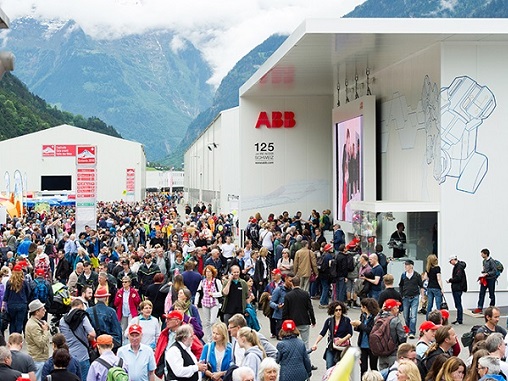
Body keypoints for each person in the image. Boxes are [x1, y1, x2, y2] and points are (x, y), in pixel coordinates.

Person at [60, 298, 96, 380]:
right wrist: (89, 338)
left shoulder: (62, 320)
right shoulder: (82, 316)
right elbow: (92, 334)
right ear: (80, 306)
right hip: (82, 354)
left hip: (68, 355)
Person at [311, 301, 353, 370]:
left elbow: (350, 333)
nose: (338, 312)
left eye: (340, 310)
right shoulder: (329, 321)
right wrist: (316, 343)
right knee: (329, 366)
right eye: (336, 310)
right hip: (332, 346)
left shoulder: (346, 320)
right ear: (333, 311)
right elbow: (322, 333)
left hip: (343, 347)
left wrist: (342, 340)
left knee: (342, 368)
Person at [282, 276, 316, 350]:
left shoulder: (288, 296)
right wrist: (313, 321)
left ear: (292, 284)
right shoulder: (306, 294)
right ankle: (306, 357)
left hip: (293, 322)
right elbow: (310, 308)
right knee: (305, 342)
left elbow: (285, 311)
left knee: (292, 342)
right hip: (304, 321)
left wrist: (284, 322)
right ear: (299, 283)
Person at [374, 299, 407, 370]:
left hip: (381, 352)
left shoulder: (378, 319)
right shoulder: (395, 320)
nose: (398, 310)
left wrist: (381, 311)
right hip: (393, 353)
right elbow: (402, 338)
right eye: (397, 308)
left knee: (383, 374)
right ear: (393, 309)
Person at [351, 298, 380, 376]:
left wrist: (360, 324)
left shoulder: (375, 317)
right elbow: (362, 329)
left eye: (362, 306)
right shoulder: (363, 316)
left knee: (373, 367)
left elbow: (370, 330)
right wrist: (356, 326)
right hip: (362, 344)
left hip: (372, 345)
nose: (361, 308)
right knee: (363, 367)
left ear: (365, 307)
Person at [195, 265, 223, 343]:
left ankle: (215, 336)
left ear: (212, 273)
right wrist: (196, 303)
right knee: (207, 322)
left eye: (209, 272)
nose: (208, 273)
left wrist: (214, 294)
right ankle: (209, 339)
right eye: (206, 272)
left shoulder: (216, 281)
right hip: (205, 303)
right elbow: (198, 292)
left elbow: (221, 292)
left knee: (212, 321)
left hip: (214, 303)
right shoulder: (203, 282)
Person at [25, 299, 51, 381]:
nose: (45, 311)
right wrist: (46, 331)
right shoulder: (33, 325)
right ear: (36, 312)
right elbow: (41, 343)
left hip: (40, 357)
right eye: (43, 309)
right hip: (38, 358)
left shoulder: (38, 322)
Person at [2, 264, 31, 334]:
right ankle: (18, 338)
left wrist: (3, 305)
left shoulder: (9, 282)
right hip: (22, 304)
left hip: (11, 304)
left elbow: (6, 295)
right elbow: (29, 292)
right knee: (19, 322)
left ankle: (12, 337)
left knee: (12, 322)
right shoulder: (24, 282)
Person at [399, 259, 424, 339]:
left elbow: (421, 286)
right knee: (406, 315)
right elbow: (401, 285)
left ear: (411, 266)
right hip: (405, 297)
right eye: (405, 265)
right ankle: (409, 328)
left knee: (413, 315)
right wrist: (401, 295)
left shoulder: (417, 275)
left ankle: (412, 332)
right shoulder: (403, 275)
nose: (405, 266)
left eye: (407, 265)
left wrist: (422, 297)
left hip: (415, 297)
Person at [114, 275, 141, 341]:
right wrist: (119, 298)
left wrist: (134, 297)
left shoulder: (133, 291)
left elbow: (138, 302)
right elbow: (115, 303)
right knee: (123, 328)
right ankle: (123, 341)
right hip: (123, 312)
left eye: (126, 282)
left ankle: (130, 341)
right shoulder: (119, 292)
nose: (124, 284)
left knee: (131, 326)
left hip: (131, 312)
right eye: (123, 282)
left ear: (129, 283)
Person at [269, 273, 293, 338]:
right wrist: (277, 306)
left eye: (292, 281)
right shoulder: (278, 290)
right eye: (290, 281)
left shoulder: (293, 290)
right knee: (280, 337)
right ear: (285, 279)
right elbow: (271, 302)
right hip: (280, 316)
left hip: (290, 316)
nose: (291, 283)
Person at [474, 248, 497, 314]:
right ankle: (479, 307)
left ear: (486, 254)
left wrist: (487, 273)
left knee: (491, 294)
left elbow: (494, 271)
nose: (481, 255)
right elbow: (485, 269)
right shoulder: (484, 261)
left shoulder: (491, 261)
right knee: (481, 293)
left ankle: (492, 307)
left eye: (482, 253)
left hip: (491, 279)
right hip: (485, 279)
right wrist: (483, 273)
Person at [447, 255, 467, 325]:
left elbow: (458, 278)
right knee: (458, 304)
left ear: (453, 260)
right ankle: (459, 319)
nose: (450, 263)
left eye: (450, 261)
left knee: (458, 304)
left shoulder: (458, 267)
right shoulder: (459, 267)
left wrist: (450, 280)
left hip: (457, 287)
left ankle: (459, 319)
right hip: (458, 287)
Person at [425, 254, 444, 319]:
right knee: (438, 304)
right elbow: (439, 279)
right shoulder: (437, 268)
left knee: (429, 304)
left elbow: (426, 277)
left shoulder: (428, 268)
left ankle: (428, 318)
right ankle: (439, 319)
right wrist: (442, 288)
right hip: (436, 287)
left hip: (429, 287)